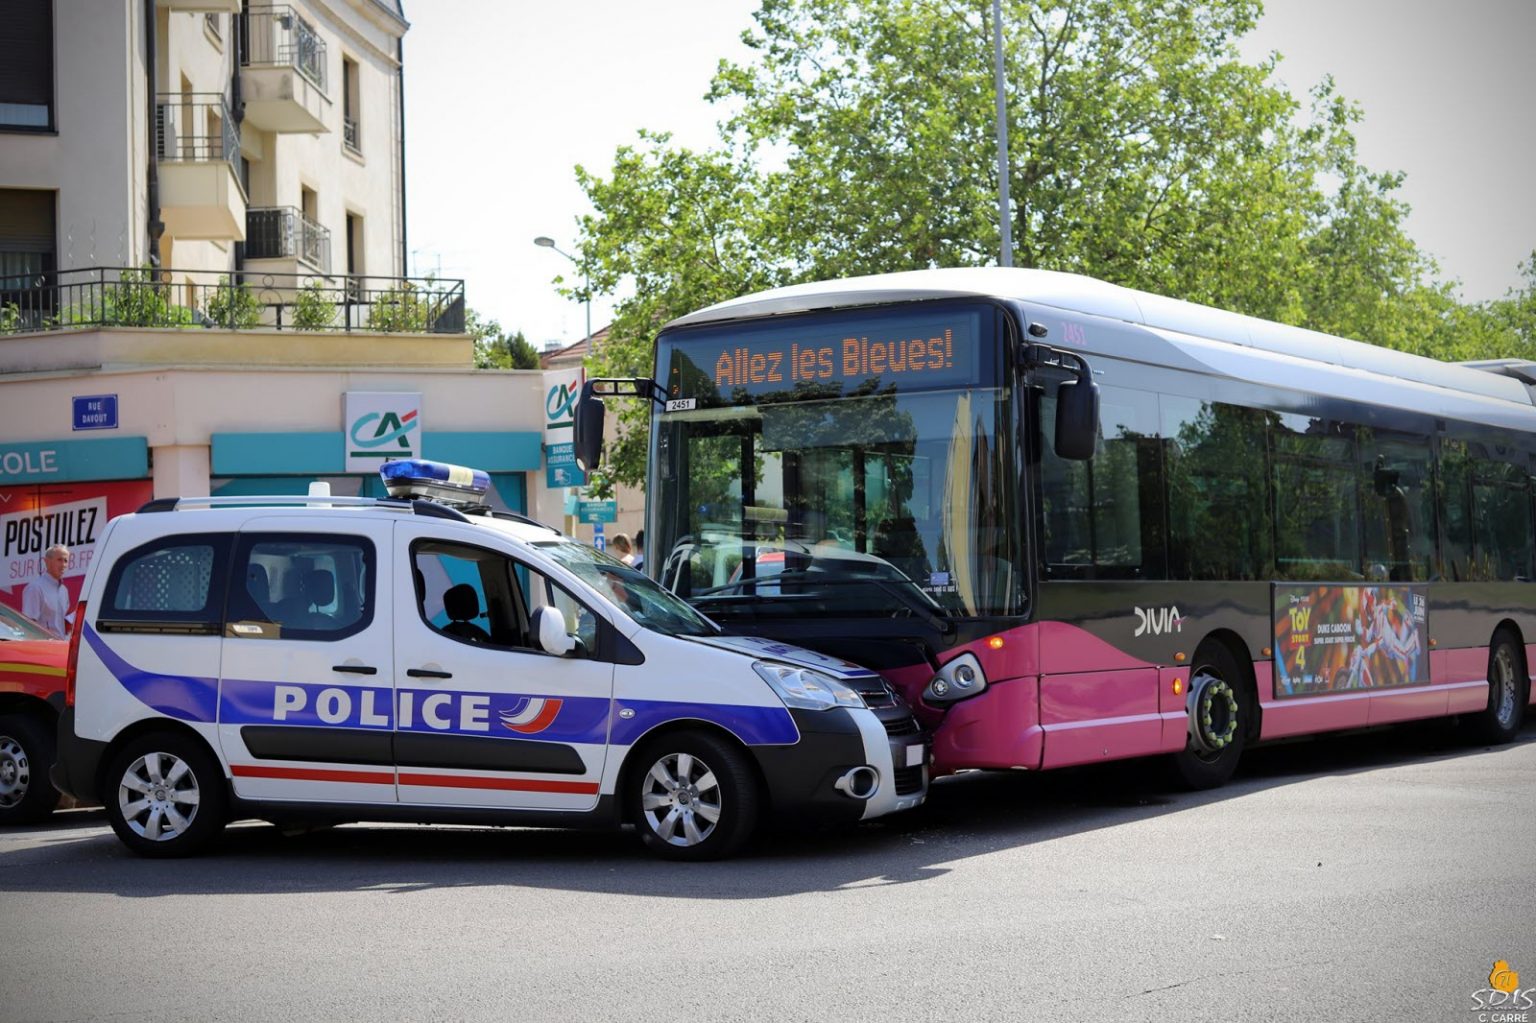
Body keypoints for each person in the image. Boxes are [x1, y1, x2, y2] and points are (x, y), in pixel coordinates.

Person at [21, 544, 72, 639]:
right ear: (47, 562)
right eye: (59, 560)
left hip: (60, 647)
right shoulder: (35, 588)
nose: (63, 565)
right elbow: (28, 625)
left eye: (66, 561)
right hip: (42, 647)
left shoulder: (63, 591)